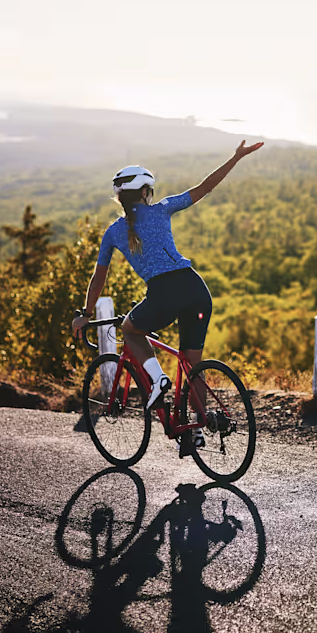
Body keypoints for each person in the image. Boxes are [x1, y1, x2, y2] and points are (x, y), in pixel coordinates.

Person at [72, 140, 264, 444]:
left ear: (120, 198)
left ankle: (158, 378)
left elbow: (98, 279)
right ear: (145, 193)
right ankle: (197, 428)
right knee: (192, 364)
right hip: (195, 288)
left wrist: (85, 314)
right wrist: (235, 157)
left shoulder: (113, 232)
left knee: (130, 329)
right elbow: (205, 187)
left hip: (164, 293)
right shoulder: (163, 209)